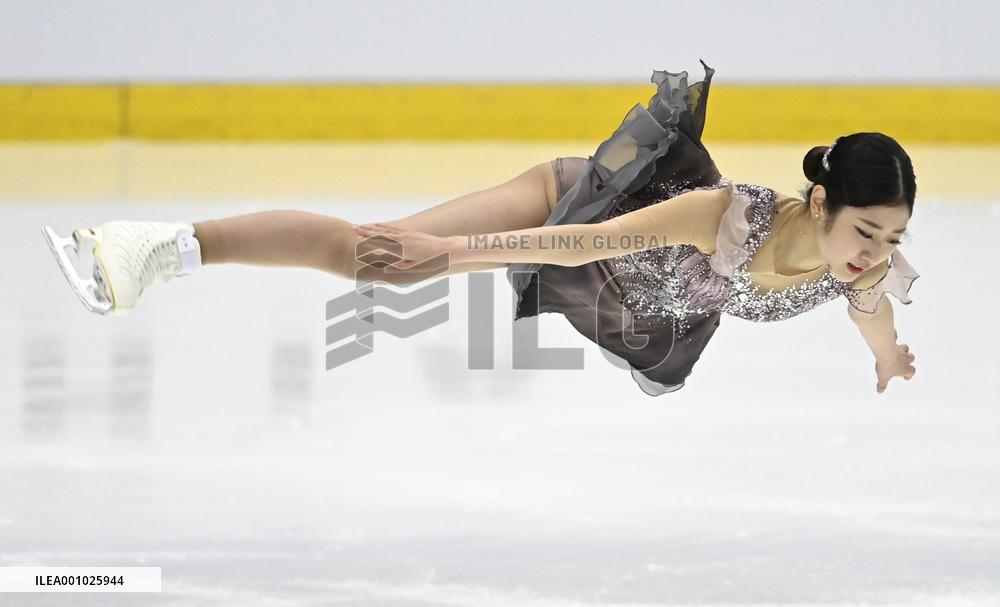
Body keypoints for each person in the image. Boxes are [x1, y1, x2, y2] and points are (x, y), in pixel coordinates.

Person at [42, 60, 919, 396]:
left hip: (637, 298)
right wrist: (449, 254)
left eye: (890, 239)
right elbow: (579, 243)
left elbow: (872, 309)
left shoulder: (864, 273)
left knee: (387, 262)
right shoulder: (724, 217)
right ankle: (158, 243)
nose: (874, 256)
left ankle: (168, 245)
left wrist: (886, 358)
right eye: (867, 233)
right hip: (577, 212)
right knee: (376, 256)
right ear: (819, 204)